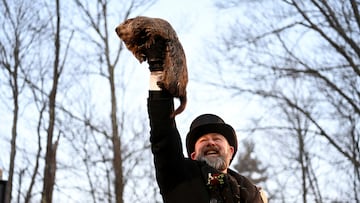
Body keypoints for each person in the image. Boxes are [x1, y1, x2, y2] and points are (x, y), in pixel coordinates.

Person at [147, 66, 268, 202]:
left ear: (230, 151)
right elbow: (163, 135)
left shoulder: (250, 193)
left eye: (217, 139)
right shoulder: (179, 178)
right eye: (203, 140)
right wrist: (158, 73)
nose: (211, 142)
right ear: (193, 155)